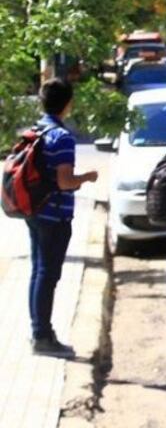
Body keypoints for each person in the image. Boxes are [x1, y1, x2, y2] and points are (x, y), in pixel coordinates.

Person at [26, 78, 99, 356]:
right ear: (68, 104)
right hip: (55, 215)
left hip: (35, 211)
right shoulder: (62, 137)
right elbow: (65, 181)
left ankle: (38, 331)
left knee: (38, 272)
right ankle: (42, 336)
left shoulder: (36, 130)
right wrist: (88, 178)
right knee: (48, 274)